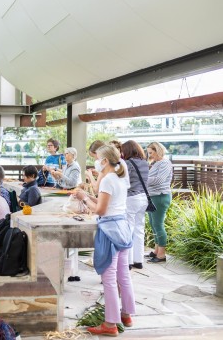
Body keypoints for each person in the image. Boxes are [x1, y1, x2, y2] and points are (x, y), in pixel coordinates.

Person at [74, 145, 135, 336]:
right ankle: (126, 314)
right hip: (122, 227)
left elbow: (100, 210)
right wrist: (89, 197)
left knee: (108, 278)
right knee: (123, 275)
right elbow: (106, 202)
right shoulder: (120, 177)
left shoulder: (108, 179)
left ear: (105, 161)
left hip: (109, 230)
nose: (96, 162)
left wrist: (84, 198)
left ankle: (110, 324)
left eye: (98, 158)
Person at [121, 140, 149, 270]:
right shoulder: (145, 163)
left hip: (131, 198)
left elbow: (122, 180)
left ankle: (128, 262)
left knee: (129, 229)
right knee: (139, 229)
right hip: (143, 198)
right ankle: (139, 260)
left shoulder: (127, 164)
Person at [145, 141, 173, 264]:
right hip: (154, 196)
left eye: (151, 152)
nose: (149, 155)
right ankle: (156, 251)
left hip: (160, 196)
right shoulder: (157, 163)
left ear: (157, 150)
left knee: (158, 225)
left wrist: (142, 179)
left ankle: (161, 254)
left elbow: (159, 180)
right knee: (153, 223)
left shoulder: (165, 163)